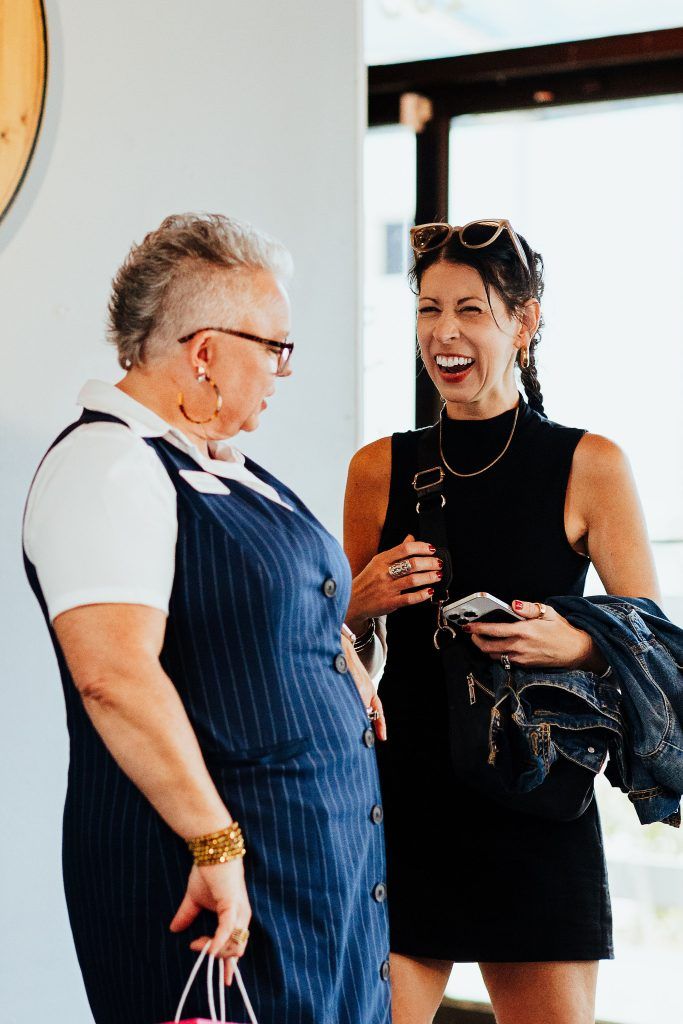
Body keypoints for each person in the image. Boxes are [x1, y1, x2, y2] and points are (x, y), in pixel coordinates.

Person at [23, 213, 390, 1024]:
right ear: (204, 350)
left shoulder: (221, 465)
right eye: (275, 346)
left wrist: (335, 658)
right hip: (206, 877)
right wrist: (214, 844)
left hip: (310, 872)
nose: (283, 370)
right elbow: (113, 674)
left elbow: (244, 610)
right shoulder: (108, 466)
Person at [343, 219, 660, 1024]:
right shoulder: (379, 467)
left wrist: (578, 639)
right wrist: (357, 600)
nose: (443, 333)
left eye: (470, 310)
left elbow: (654, 645)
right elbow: (331, 649)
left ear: (524, 321)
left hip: (535, 799)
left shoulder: (590, 464)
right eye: (426, 310)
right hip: (406, 800)